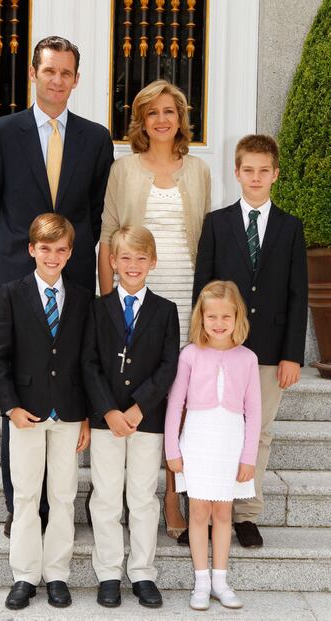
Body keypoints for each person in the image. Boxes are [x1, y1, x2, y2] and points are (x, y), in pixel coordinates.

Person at [0, 35, 113, 533]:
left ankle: (59, 504)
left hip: (71, 283)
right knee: (20, 393)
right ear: (33, 73)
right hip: (18, 282)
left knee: (67, 386)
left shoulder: (96, 139)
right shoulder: (1, 132)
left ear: (77, 79)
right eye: (48, 70)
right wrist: (10, 269)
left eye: (66, 73)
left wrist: (73, 267)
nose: (57, 80)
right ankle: (21, 508)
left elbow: (94, 211)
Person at [98, 79, 211, 538]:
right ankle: (129, 494)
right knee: (142, 389)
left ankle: (171, 494)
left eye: (170, 111)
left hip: (185, 296)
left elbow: (207, 239)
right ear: (141, 121)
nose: (163, 119)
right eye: (153, 113)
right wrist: (108, 305)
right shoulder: (123, 170)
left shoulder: (199, 170)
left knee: (178, 399)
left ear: (181, 118)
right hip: (135, 295)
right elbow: (108, 237)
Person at [192, 134, 308, 547]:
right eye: (248, 170)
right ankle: (206, 508)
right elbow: (203, 289)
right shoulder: (217, 223)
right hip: (220, 348)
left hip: (270, 351)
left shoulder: (291, 228)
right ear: (236, 172)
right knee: (213, 427)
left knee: (257, 432)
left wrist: (292, 354)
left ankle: (245, 513)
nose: (255, 177)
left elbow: (298, 293)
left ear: (275, 174)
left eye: (264, 171)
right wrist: (200, 345)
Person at [0, 213, 91, 610]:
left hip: (67, 412)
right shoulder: (11, 293)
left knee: (64, 495)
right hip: (26, 413)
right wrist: (11, 407)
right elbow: (1, 358)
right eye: (45, 248)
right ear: (32, 249)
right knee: (27, 494)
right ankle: (24, 575)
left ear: (70, 253)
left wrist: (86, 415)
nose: (53, 256)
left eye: (61, 249)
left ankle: (57, 574)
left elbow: (87, 360)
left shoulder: (83, 298)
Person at [82, 226, 180, 609]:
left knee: (142, 497)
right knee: (106, 497)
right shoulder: (96, 308)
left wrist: (140, 406)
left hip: (146, 420)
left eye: (141, 258)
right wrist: (108, 409)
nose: (133, 265)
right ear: (112, 262)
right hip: (107, 420)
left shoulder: (166, 311)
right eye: (125, 258)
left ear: (152, 262)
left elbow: (168, 365)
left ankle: (142, 572)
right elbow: (88, 363)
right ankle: (108, 572)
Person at [165, 280, 261, 611]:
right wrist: (172, 450)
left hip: (230, 443)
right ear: (200, 319)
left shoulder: (247, 358)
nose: (218, 324)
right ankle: (201, 582)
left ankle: (221, 580)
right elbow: (175, 403)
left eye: (226, 317)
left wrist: (248, 457)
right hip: (197, 440)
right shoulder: (190, 355)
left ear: (238, 318)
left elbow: (255, 411)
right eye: (211, 317)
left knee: (223, 512)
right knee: (199, 512)